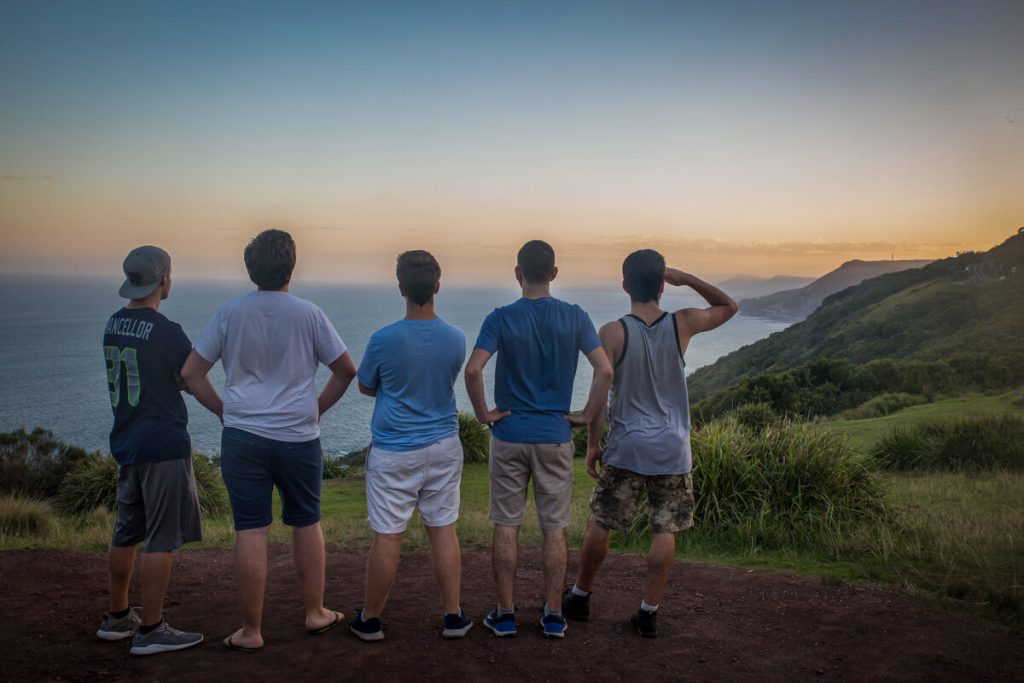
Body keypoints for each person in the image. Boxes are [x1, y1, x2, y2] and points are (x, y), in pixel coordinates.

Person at [181, 229, 357, 653]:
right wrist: (315, 409)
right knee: (306, 522)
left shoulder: (229, 313)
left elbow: (190, 374)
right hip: (298, 437)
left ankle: (250, 630)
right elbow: (346, 370)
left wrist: (225, 411)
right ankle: (315, 613)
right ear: (291, 267)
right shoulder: (310, 314)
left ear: (250, 268)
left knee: (251, 531)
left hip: (244, 438)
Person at [561, 249, 737, 637]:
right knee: (664, 529)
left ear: (624, 285)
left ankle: (579, 597)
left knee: (602, 521)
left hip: (627, 446)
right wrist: (686, 277)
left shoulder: (611, 332)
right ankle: (648, 611)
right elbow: (728, 306)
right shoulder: (683, 323)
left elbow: (602, 391)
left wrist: (593, 444)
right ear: (662, 284)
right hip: (673, 449)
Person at [465, 240, 613, 639]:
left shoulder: (500, 318)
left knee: (506, 526)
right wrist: (584, 414)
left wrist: (484, 414)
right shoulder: (575, 317)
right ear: (554, 273)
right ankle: (551, 615)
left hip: (510, 434)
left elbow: (474, 371)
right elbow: (605, 370)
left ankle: (506, 613)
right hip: (554, 436)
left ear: (517, 272)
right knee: (554, 529)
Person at [98, 245, 219, 655]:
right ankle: (150, 629)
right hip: (163, 444)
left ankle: (117, 618)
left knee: (126, 530)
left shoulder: (113, 324)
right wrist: (224, 412)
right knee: (161, 538)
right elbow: (192, 376)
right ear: (163, 278)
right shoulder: (165, 330)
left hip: (128, 441)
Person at [349, 250, 473, 642]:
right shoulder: (455, 338)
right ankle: (453, 615)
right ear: (437, 285)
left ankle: (370, 620)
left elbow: (366, 384)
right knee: (443, 530)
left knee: (388, 535)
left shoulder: (383, 339)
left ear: (400, 287)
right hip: (443, 445)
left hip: (394, 451)